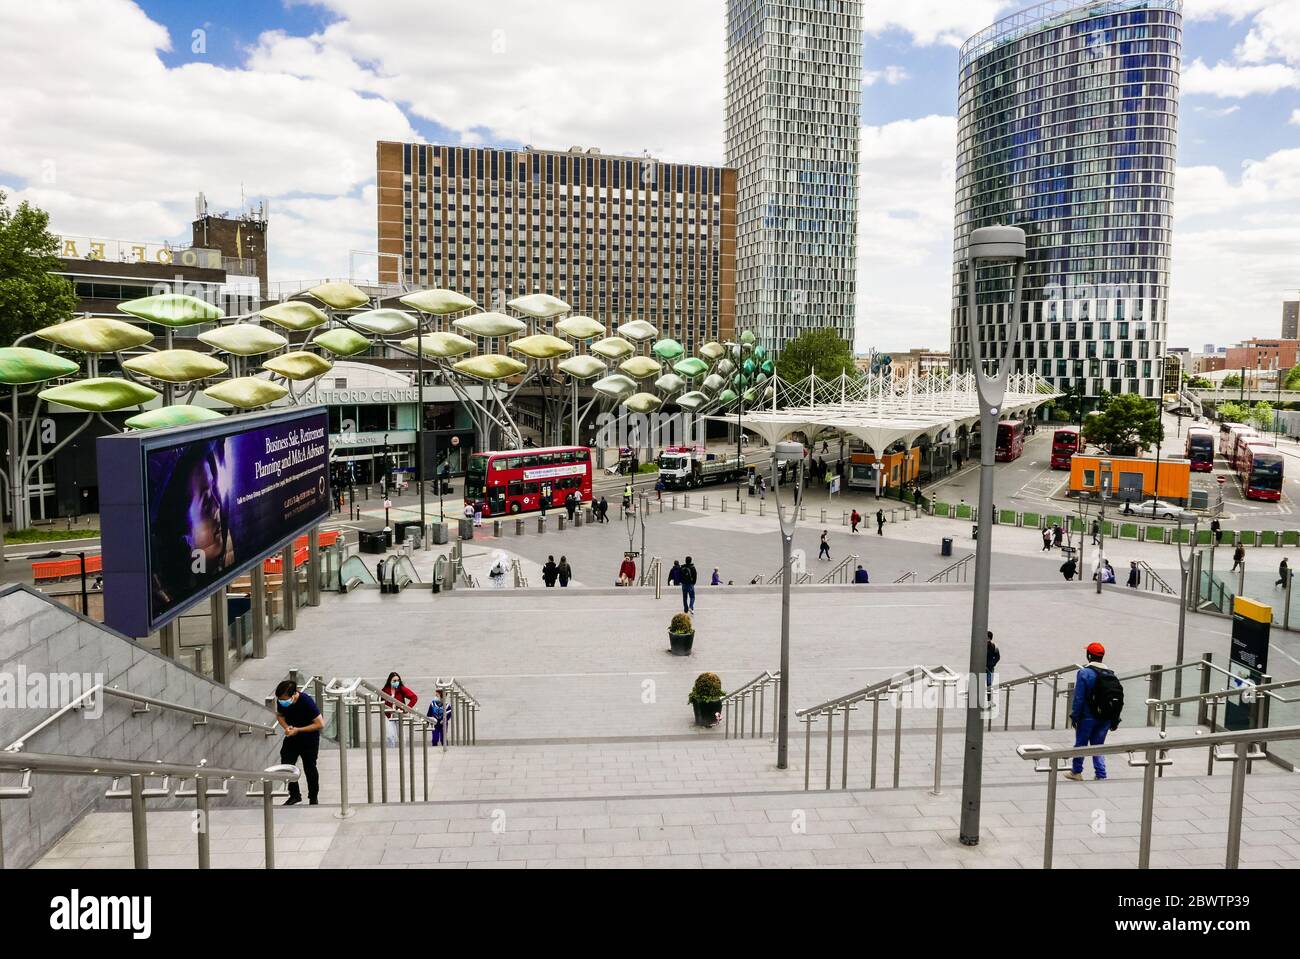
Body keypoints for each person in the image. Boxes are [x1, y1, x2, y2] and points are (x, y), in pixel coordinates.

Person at [1065, 642, 1123, 781]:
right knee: (1098, 746)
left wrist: (1075, 716)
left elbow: (1078, 698)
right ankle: (1101, 774)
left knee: (1081, 745)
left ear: (1089, 655)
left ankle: (1076, 772)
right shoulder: (1110, 674)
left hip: (1087, 717)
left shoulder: (1084, 673)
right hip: (1105, 717)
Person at [274, 680, 323, 806]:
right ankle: (295, 795)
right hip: (292, 738)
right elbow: (280, 716)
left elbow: (320, 724)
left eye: (285, 699)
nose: (282, 702)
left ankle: (313, 798)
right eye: (280, 700)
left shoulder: (306, 701)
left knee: (310, 768)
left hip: (309, 739)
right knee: (287, 765)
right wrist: (286, 727)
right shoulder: (282, 702)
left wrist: (298, 730)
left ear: (294, 694)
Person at [380, 671, 418, 747]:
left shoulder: (401, 689)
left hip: (399, 715)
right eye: (394, 681)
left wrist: (407, 708)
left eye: (398, 680)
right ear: (390, 681)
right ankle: (392, 751)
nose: (396, 682)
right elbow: (381, 702)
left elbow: (414, 697)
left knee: (401, 736)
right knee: (390, 736)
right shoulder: (384, 690)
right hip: (388, 716)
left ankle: (403, 751)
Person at [985, 631, 1001, 699]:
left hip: (989, 668)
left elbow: (997, 657)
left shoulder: (994, 647)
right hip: (981, 667)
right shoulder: (980, 646)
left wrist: (992, 664)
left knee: (989, 684)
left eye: (988, 638)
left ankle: (989, 700)